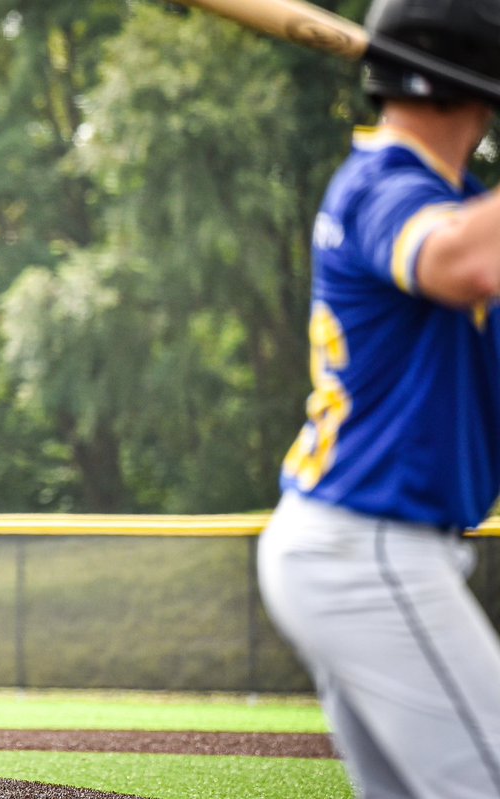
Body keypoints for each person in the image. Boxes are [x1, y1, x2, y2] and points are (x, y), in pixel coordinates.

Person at [257, 0, 500, 796]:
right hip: (370, 550)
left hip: (359, 547)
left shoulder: (454, 197)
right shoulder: (384, 186)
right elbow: (459, 263)